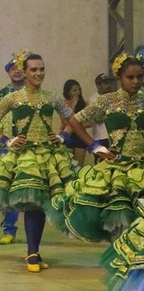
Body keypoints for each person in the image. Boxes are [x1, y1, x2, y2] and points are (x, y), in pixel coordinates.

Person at [0, 51, 88, 273]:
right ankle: (32, 253)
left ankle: (34, 251)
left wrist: (63, 136)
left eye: (42, 69)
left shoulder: (52, 97)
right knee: (32, 205)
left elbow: (73, 119)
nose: (38, 73)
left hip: (49, 156)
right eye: (34, 70)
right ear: (25, 72)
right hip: (25, 157)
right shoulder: (13, 98)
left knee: (41, 206)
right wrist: (6, 140)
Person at [49, 54, 144, 242]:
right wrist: (93, 145)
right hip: (117, 169)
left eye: (140, 77)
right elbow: (75, 120)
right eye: (130, 77)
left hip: (141, 167)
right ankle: (123, 264)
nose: (135, 81)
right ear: (119, 78)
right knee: (121, 225)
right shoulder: (106, 101)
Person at [0, 55, 27, 244]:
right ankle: (9, 228)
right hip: (6, 148)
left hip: (30, 148)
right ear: (8, 72)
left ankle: (33, 229)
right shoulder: (0, 95)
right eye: (12, 68)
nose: (16, 71)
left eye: (20, 67)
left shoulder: (33, 93)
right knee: (8, 189)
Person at [62, 79, 89, 165]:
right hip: (67, 136)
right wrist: (73, 105)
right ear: (68, 92)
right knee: (68, 166)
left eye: (79, 90)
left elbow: (90, 122)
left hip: (80, 136)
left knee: (78, 166)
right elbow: (66, 122)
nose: (77, 92)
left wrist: (77, 127)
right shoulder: (63, 104)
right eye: (74, 90)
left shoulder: (84, 103)